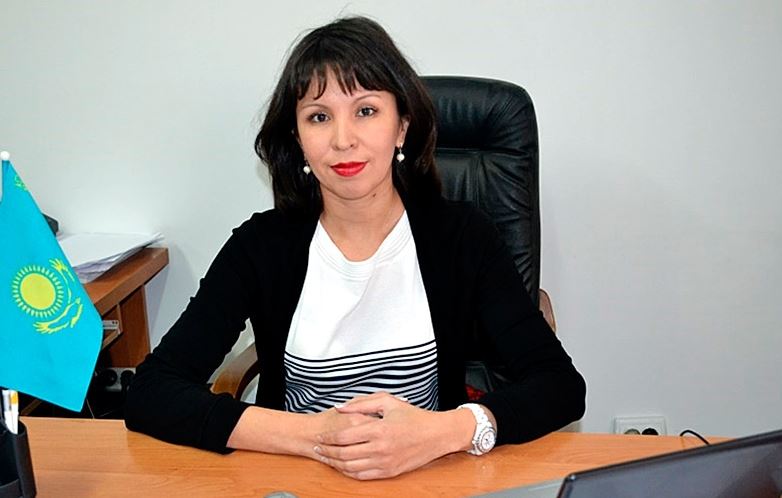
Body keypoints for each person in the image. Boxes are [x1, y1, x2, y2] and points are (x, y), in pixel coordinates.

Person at [125, 16, 586, 481]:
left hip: (428, 479)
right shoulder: (260, 247)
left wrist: (443, 432)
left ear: (402, 126)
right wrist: (311, 436)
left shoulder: (463, 237)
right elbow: (151, 390)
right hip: (297, 482)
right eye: (319, 117)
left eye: (366, 111)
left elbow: (560, 385)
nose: (343, 139)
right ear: (298, 140)